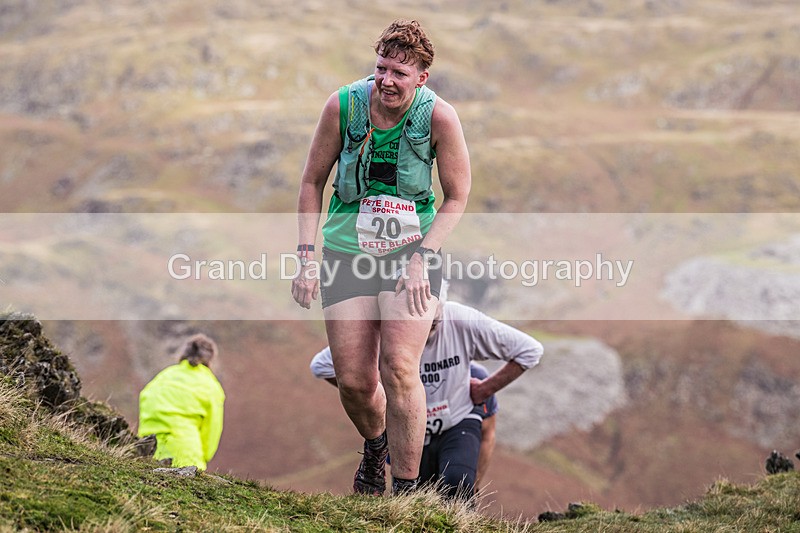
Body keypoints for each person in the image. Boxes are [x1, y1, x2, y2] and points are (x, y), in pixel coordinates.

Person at [291, 19, 472, 496]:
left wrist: (423, 258)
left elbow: (457, 195)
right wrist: (307, 257)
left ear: (422, 78)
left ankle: (407, 492)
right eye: (381, 69)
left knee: (398, 367)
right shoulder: (344, 106)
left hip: (413, 255)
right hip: (346, 254)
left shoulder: (439, 118)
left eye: (399, 73)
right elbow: (311, 182)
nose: (386, 81)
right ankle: (376, 446)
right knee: (352, 379)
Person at [309, 285, 543, 500]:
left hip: (457, 422)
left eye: (433, 320)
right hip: (407, 430)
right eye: (418, 322)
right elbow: (322, 366)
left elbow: (530, 350)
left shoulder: (462, 320)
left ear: (442, 304)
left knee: (457, 486)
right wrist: (377, 396)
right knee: (415, 501)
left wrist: (485, 389)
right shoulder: (387, 327)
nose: (427, 327)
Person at [138, 333, 226, 471]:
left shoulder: (164, 375)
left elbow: (146, 398)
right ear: (210, 359)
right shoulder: (210, 385)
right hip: (185, 452)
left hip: (147, 447)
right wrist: (203, 456)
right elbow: (212, 429)